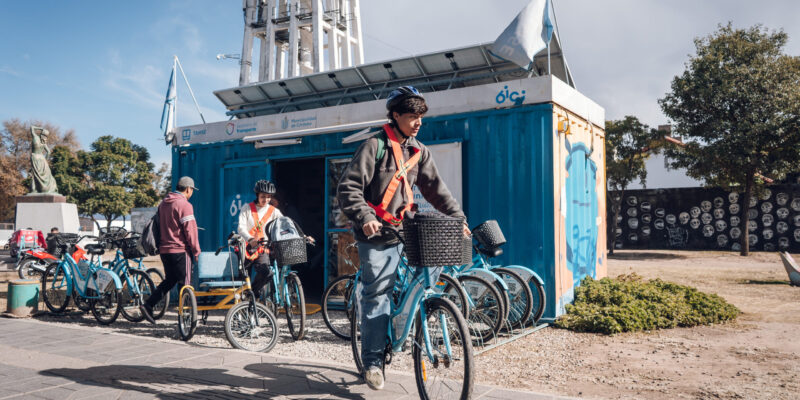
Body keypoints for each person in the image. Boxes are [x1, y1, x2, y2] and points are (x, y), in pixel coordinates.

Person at [337, 86, 469, 390]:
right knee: (378, 293)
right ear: (395, 116)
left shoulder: (419, 151)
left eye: (421, 116)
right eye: (412, 116)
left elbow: (437, 191)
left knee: (427, 278)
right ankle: (373, 362)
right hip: (376, 233)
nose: (418, 122)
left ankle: (402, 321)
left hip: (406, 229)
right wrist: (365, 218)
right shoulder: (374, 146)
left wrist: (459, 219)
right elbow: (348, 188)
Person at [140, 176, 201, 324]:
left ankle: (148, 305)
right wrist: (196, 250)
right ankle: (185, 320)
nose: (192, 193)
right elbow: (190, 230)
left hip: (165, 251)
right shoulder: (185, 205)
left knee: (170, 280)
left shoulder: (163, 203)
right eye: (192, 190)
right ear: (188, 189)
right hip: (180, 250)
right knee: (185, 285)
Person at [238, 180, 283, 299]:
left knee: (266, 273)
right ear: (257, 195)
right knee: (242, 278)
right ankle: (242, 301)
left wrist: (302, 235)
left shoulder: (274, 212)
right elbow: (241, 228)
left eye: (268, 197)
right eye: (263, 196)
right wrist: (250, 239)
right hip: (246, 248)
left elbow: (285, 225)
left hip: (262, 249)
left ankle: (252, 293)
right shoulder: (247, 208)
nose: (266, 199)